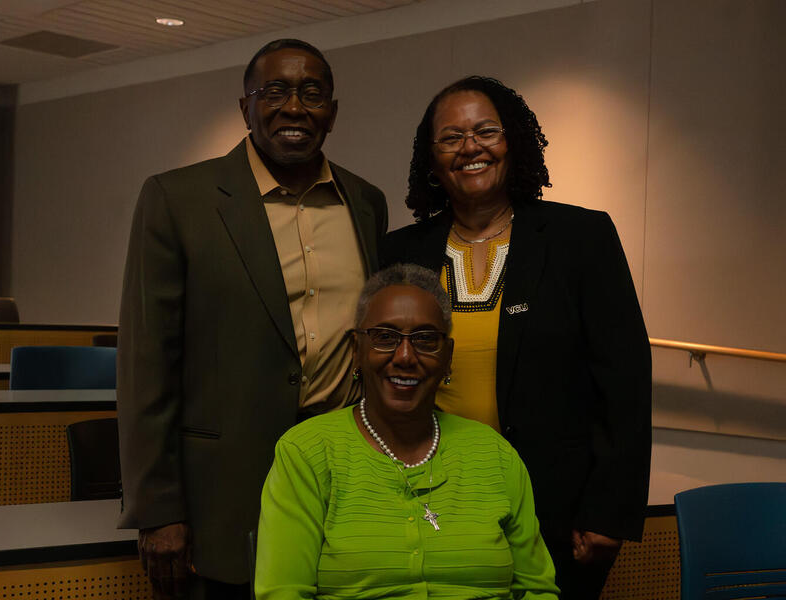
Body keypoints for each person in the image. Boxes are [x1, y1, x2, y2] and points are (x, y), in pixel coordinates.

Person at [117, 38, 387, 599]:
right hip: (224, 495)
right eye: (275, 92)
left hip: (346, 483)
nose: (295, 107)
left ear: (332, 112)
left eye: (312, 93)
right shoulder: (178, 199)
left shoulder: (364, 203)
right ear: (245, 106)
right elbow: (147, 364)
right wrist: (157, 509)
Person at [382, 76, 651, 599]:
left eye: (486, 131)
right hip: (429, 498)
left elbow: (626, 384)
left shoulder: (582, 238)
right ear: (431, 157)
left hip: (555, 507)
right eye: (451, 137)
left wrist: (608, 510)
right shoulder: (399, 251)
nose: (470, 148)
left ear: (514, 141)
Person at [255, 264, 559, 599]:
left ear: (447, 357)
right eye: (385, 338)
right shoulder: (307, 453)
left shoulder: (495, 455)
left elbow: (537, 589)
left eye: (425, 339)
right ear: (356, 350)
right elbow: (283, 593)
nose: (404, 356)